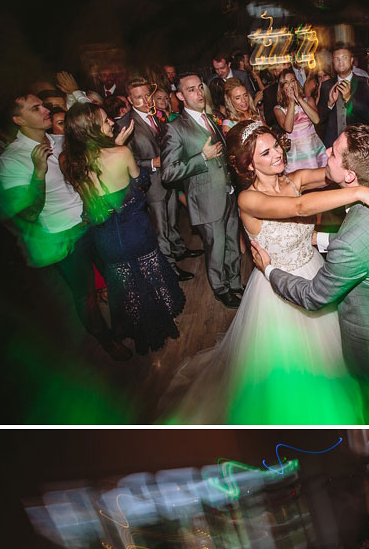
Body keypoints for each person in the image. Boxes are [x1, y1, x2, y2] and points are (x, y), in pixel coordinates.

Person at [166, 121, 369, 424]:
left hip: (314, 268)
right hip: (277, 287)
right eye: (266, 152)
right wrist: (361, 194)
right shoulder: (248, 199)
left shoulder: (295, 179)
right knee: (287, 371)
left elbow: (339, 170)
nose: (277, 155)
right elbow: (299, 207)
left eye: (276, 146)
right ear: (248, 164)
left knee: (331, 359)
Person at [258, 125, 369, 423]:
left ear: (350, 176)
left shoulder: (351, 244)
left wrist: (269, 269)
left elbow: (314, 297)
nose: (326, 153)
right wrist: (322, 240)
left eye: (332, 152)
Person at [0, 90, 131, 360]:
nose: (45, 110)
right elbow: (29, 213)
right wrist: (38, 174)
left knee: (116, 277)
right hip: (64, 236)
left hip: (92, 221)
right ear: (18, 119)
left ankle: (124, 325)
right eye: (35, 108)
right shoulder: (11, 161)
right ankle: (106, 340)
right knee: (86, 295)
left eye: (43, 105)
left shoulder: (60, 140)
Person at [59, 102, 186, 355]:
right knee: (151, 278)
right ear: (91, 128)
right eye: (105, 120)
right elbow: (140, 181)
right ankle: (162, 326)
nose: (111, 123)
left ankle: (140, 333)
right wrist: (119, 146)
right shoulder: (120, 154)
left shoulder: (68, 160)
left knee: (126, 287)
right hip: (135, 231)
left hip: (105, 238)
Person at [161, 72, 244, 306]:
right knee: (216, 248)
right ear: (179, 95)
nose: (198, 93)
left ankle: (235, 282)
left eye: (200, 87)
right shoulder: (175, 128)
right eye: (191, 90)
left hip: (227, 192)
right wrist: (201, 158)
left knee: (231, 242)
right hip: (206, 198)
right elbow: (168, 173)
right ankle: (220, 288)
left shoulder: (211, 118)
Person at [124, 77, 195, 282]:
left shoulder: (157, 115)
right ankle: (170, 270)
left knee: (172, 221)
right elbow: (128, 160)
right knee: (160, 229)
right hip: (152, 183)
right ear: (130, 99)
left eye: (148, 95)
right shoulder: (127, 124)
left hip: (169, 178)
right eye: (139, 97)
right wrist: (152, 162)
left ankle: (179, 250)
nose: (145, 101)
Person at [316, 44, 369, 148]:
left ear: (351, 60)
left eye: (344, 58)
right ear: (333, 62)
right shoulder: (326, 86)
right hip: (333, 144)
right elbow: (319, 118)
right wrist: (329, 104)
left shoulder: (364, 84)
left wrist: (349, 98)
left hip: (357, 143)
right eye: (337, 59)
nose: (340, 62)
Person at [272, 68, 325, 171]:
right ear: (282, 87)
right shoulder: (278, 109)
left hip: (313, 149)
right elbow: (288, 128)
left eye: (292, 81)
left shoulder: (308, 100)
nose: (290, 85)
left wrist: (299, 99)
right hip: (296, 154)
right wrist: (291, 102)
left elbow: (316, 120)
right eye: (286, 83)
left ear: (296, 82)